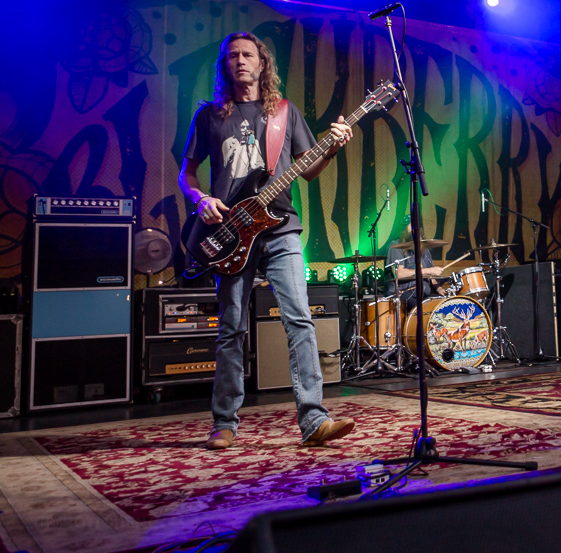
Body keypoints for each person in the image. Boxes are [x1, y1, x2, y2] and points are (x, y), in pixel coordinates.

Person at [180, 32, 356, 450]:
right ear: (225, 65)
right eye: (233, 56)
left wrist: (330, 149)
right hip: (229, 234)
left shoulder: (284, 112)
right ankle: (224, 422)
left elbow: (307, 169)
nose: (240, 61)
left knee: (299, 318)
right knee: (231, 328)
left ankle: (314, 419)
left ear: (263, 63)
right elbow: (187, 174)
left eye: (248, 55)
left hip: (281, 227)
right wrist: (201, 198)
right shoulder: (209, 116)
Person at [387, 220, 449, 308]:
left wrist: (438, 288)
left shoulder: (424, 248)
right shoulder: (396, 246)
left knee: (442, 305)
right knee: (423, 309)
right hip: (404, 293)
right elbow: (399, 273)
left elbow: (431, 276)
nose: (415, 229)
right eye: (411, 225)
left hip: (423, 293)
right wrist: (428, 270)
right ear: (404, 230)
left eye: (417, 226)